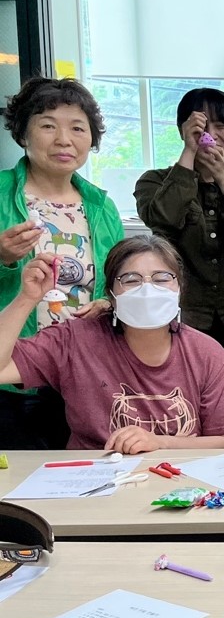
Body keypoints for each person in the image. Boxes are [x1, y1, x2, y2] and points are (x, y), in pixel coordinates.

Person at [0, 235, 224, 453]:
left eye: (161, 278)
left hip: (179, 483)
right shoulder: (74, 341)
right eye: (131, 280)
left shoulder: (208, 353)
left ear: (179, 289)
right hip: (90, 481)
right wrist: (27, 297)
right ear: (111, 294)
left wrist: (160, 442)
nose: (148, 289)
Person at [0, 76, 124, 449]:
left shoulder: (101, 206)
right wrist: (3, 259)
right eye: (48, 125)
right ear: (23, 133)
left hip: (82, 375)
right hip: (10, 375)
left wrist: (109, 302)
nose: (63, 140)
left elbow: (119, 279)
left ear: (91, 140)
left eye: (77, 128)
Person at [135, 88, 224, 406]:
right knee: (184, 404)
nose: (210, 135)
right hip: (181, 316)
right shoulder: (154, 181)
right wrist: (188, 159)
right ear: (183, 131)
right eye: (199, 127)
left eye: (222, 125)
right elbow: (163, 219)